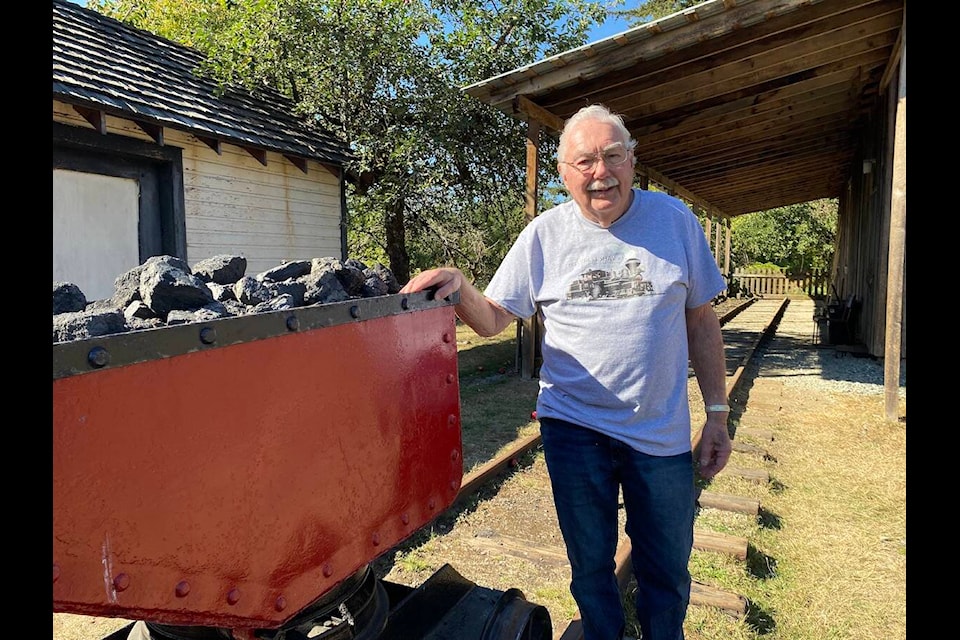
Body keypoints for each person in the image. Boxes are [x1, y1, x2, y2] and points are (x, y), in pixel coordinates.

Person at [400, 104, 732, 640]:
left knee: (667, 569)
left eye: (612, 157)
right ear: (563, 173)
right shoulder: (543, 236)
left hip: (660, 432)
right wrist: (458, 286)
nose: (599, 173)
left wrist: (716, 413)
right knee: (591, 567)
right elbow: (493, 319)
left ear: (632, 161)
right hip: (575, 431)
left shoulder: (676, 223)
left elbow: (701, 319)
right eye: (584, 162)